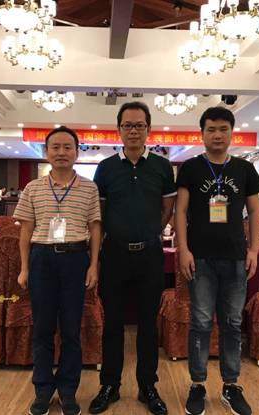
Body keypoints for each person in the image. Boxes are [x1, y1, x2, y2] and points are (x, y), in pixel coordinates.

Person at [89, 102, 176, 415]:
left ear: (148, 129)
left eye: (139, 125)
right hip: (114, 254)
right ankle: (109, 385)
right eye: (127, 125)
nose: (134, 130)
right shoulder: (106, 168)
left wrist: (151, 231)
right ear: (119, 130)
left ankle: (147, 386)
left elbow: (168, 210)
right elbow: (99, 214)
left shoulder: (163, 167)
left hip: (150, 255)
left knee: (148, 325)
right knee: (112, 323)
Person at [176, 107, 259, 415]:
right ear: (202, 133)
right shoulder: (190, 168)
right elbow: (180, 211)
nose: (217, 135)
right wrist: (183, 250)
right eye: (211, 129)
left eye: (223, 129)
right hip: (200, 258)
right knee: (200, 322)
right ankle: (197, 384)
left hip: (236, 257)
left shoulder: (244, 169)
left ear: (231, 133)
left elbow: (255, 211)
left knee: (232, 323)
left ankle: (230, 385)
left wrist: (253, 250)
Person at [14, 126, 102, 415]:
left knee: (71, 330)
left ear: (76, 152)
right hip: (41, 259)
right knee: (42, 328)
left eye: (67, 147)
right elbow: (26, 231)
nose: (61, 152)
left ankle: (67, 390)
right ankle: (42, 389)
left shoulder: (89, 188)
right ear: (46, 152)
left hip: (75, 260)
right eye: (55, 147)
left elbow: (95, 229)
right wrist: (24, 268)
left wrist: (93, 265)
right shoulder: (33, 188)